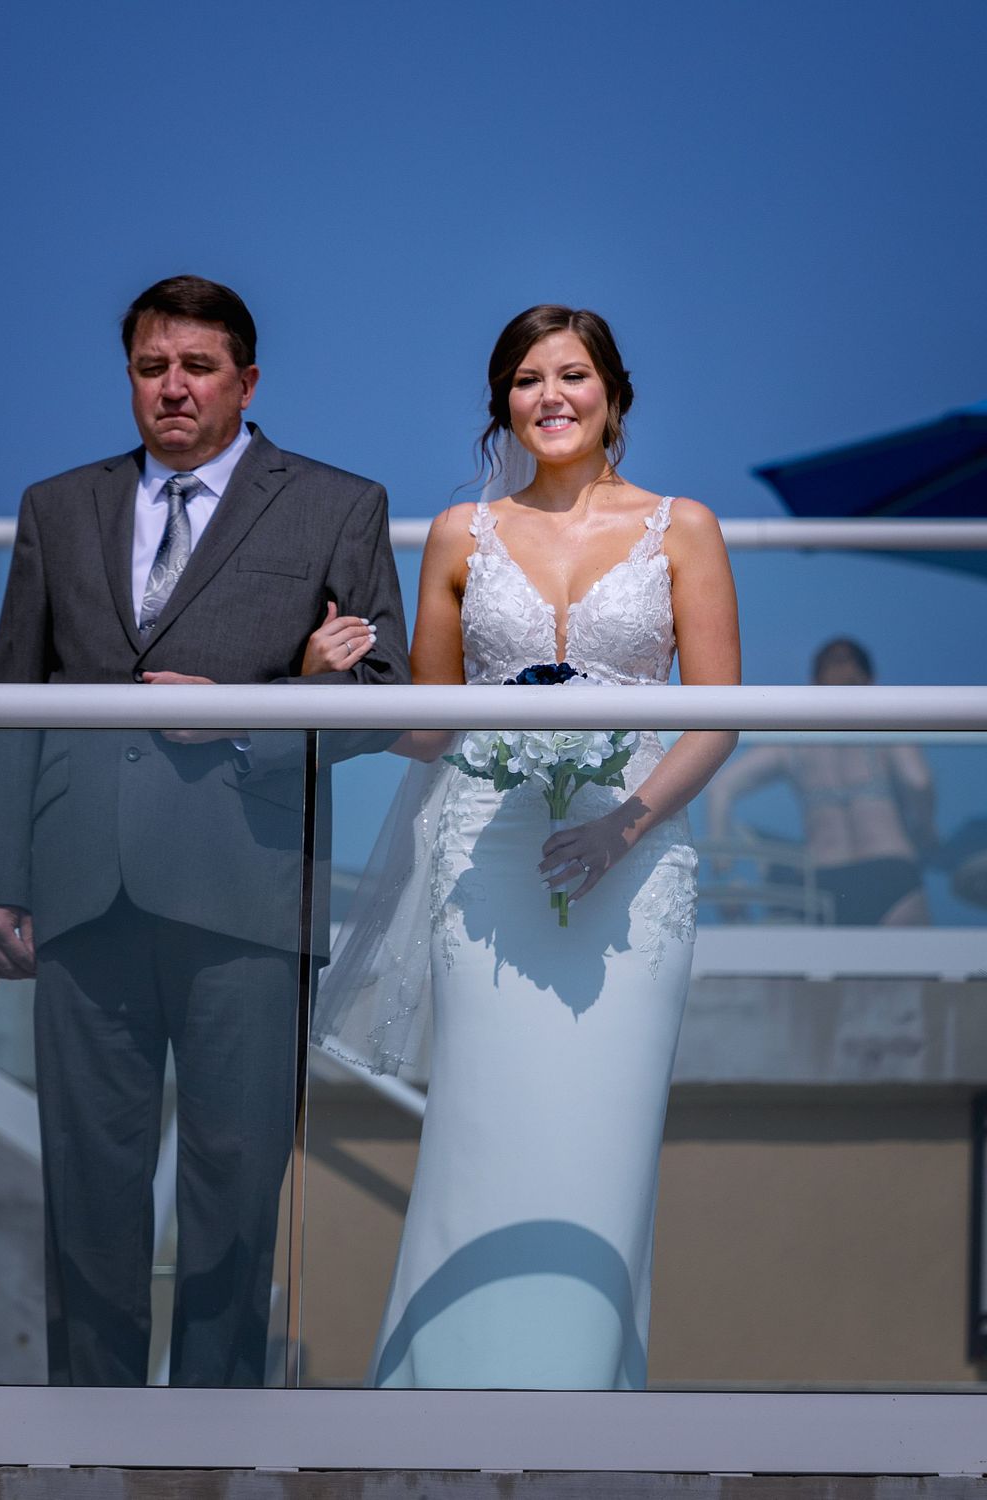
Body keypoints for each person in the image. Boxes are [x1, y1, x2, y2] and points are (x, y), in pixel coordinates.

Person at [0, 274, 409, 1388]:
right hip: (78, 881)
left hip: (245, 889)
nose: (173, 387)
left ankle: (215, 1438)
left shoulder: (335, 505)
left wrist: (245, 716)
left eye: (197, 367)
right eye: (152, 367)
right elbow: (13, 691)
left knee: (238, 1180)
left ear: (246, 381)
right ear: (130, 378)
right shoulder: (57, 507)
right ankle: (93, 1437)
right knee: (87, 1180)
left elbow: (383, 697)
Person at [316, 304, 740, 1389]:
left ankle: (583, 1404)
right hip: (484, 864)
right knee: (480, 1127)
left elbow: (719, 715)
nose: (550, 396)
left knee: (604, 1137)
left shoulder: (682, 526)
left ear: (614, 395)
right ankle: (448, 1399)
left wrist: (623, 826)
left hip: (635, 870)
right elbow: (432, 719)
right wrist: (322, 692)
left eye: (573, 375)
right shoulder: (460, 532)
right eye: (525, 380)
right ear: (502, 403)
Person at [708, 637, 934, 925]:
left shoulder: (793, 742)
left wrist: (722, 864)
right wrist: (925, 831)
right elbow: (918, 781)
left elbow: (721, 788)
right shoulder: (888, 726)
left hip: (825, 876)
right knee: (907, 968)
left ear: (814, 682)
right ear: (870, 681)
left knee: (821, 967)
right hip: (889, 866)